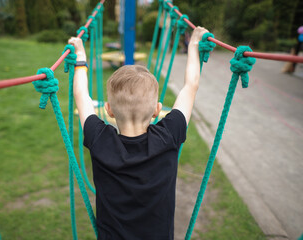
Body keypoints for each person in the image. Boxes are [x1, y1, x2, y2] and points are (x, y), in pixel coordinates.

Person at [68, 26, 208, 240]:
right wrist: (194, 44)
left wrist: (80, 55)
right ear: (157, 111)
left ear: (109, 110)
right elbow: (191, 86)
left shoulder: (100, 139)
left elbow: (81, 95)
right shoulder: (168, 135)